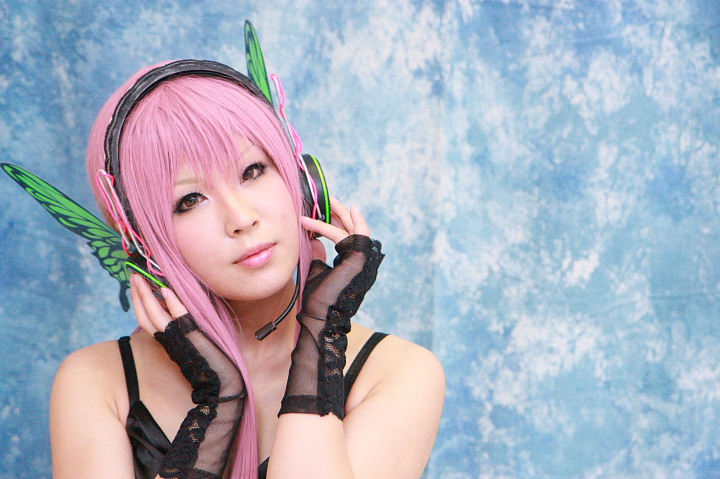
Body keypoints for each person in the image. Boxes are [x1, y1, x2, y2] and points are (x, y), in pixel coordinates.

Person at [49, 57, 445, 479]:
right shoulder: (96, 382)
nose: (241, 218)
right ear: (144, 243)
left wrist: (321, 334)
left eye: (252, 170)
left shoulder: (401, 373)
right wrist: (218, 401)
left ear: (304, 183)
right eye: (190, 200)